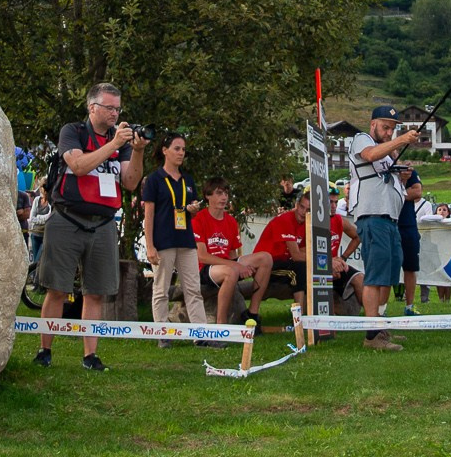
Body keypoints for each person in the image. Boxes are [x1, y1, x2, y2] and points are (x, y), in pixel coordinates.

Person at [34, 82, 146, 372]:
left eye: (118, 108)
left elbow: (131, 182)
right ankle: (45, 349)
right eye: (109, 107)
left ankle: (90, 355)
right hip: (67, 218)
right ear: (92, 107)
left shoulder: (118, 142)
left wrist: (137, 151)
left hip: (104, 223)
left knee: (95, 292)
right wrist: (114, 145)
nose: (114, 113)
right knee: (56, 288)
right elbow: (80, 166)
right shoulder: (73, 132)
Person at [345, 105, 421, 352]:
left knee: (388, 275)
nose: (389, 133)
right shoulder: (361, 139)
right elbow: (369, 155)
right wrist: (401, 139)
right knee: (375, 276)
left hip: (390, 220)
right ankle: (371, 336)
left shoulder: (388, 153)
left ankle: (379, 327)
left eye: (393, 128)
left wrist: (403, 176)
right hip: (373, 216)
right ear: (373, 124)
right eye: (385, 127)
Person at [253, 189, 359, 330]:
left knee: (358, 277)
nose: (303, 212)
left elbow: (306, 252)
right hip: (267, 265)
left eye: (308, 210)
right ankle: (299, 319)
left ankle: (375, 317)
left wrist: (338, 259)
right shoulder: (286, 219)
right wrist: (328, 263)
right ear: (296, 204)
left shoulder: (312, 223)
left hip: (289, 263)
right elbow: (297, 255)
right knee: (300, 270)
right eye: (301, 207)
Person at [138, 133, 209, 337]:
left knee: (193, 289)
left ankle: (201, 335)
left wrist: (193, 209)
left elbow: (191, 207)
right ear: (165, 150)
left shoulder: (187, 179)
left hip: (186, 240)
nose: (181, 153)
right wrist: (150, 246)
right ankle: (162, 334)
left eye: (183, 149)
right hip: (163, 241)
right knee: (161, 290)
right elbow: (148, 215)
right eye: (177, 148)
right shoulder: (154, 179)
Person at [193, 178, 273, 328]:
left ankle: (252, 313)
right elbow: (201, 256)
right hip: (205, 268)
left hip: (225, 263)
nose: (224, 197)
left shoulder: (230, 221)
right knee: (230, 271)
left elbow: (231, 255)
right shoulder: (199, 219)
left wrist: (242, 267)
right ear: (207, 196)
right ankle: (221, 324)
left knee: (265, 258)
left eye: (226, 193)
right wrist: (235, 267)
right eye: (219, 193)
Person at [397, 165, 424, 312]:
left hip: (408, 225)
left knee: (411, 267)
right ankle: (382, 308)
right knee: (389, 268)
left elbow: (417, 192)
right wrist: (405, 193)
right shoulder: (381, 169)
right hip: (391, 223)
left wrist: (397, 194)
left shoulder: (408, 170)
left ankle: (409, 306)